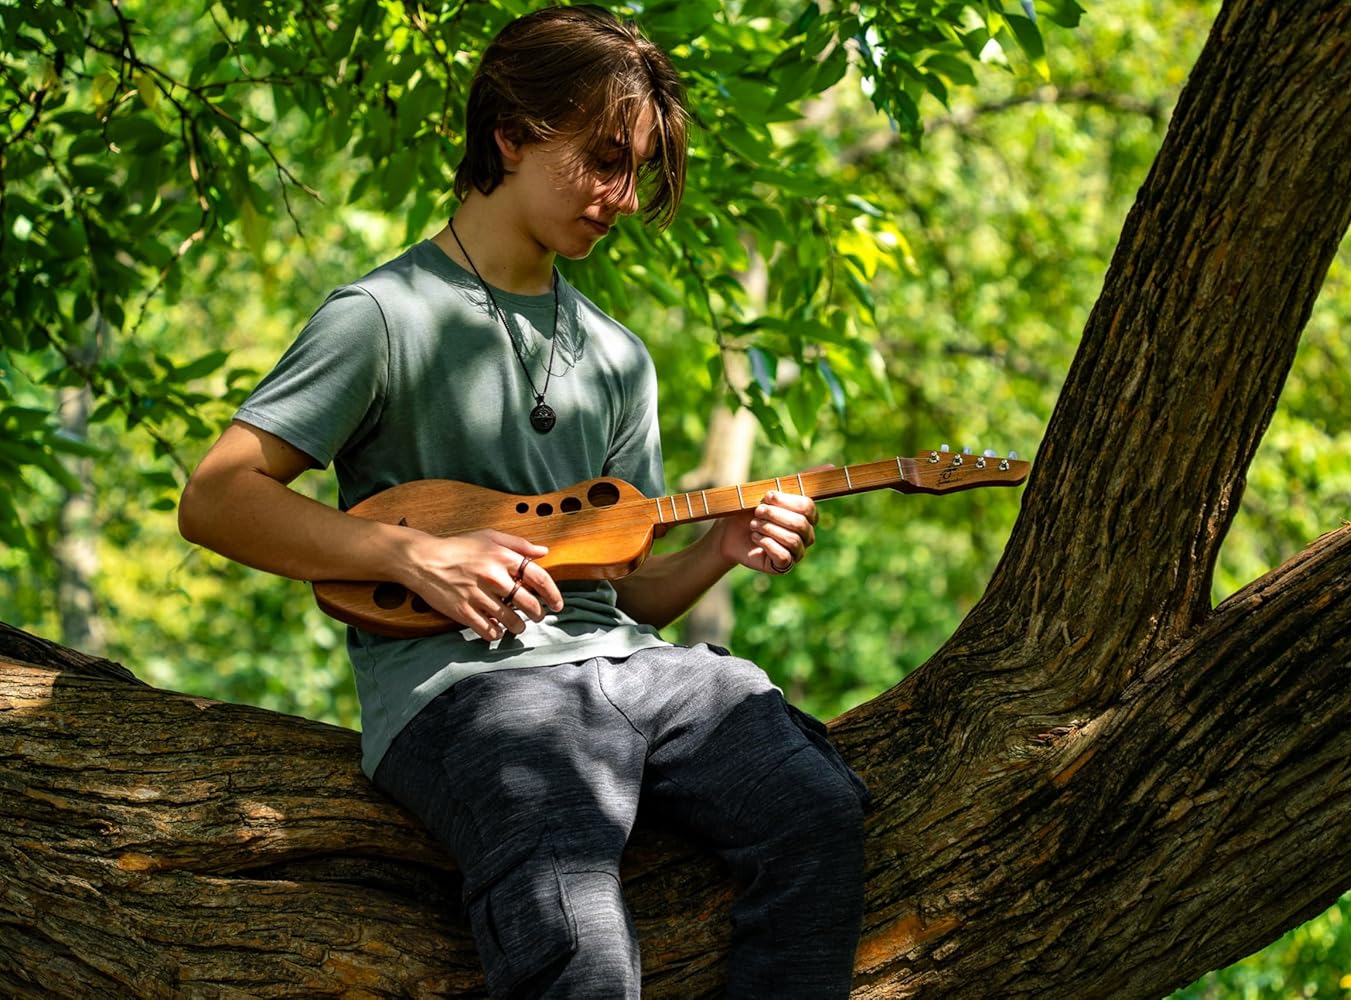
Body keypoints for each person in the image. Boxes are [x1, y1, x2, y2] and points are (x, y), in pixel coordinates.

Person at [177, 5, 869, 998]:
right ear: (510, 132)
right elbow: (215, 499)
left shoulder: (620, 358)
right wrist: (411, 557)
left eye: (637, 173)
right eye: (602, 159)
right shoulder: (379, 318)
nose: (620, 197)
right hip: (466, 697)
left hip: (634, 673)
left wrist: (719, 549)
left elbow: (631, 598)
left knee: (814, 806)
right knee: (573, 934)